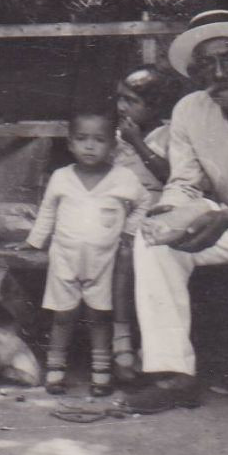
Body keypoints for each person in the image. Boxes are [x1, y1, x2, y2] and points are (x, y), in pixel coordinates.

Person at [125, 11, 228, 431]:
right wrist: (175, 214)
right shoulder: (189, 111)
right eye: (206, 65)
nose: (219, 73)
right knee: (154, 241)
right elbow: (184, 183)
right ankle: (174, 375)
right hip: (226, 223)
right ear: (195, 74)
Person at [23, 110, 149, 396]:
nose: (90, 146)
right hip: (64, 258)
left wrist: (129, 232)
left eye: (99, 140)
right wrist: (34, 241)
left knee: (99, 316)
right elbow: (47, 212)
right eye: (82, 139)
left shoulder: (123, 178)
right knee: (62, 315)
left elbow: (144, 203)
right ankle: (55, 372)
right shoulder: (62, 177)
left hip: (104, 260)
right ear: (70, 143)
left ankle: (101, 373)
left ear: (113, 146)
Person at [109, 64, 186, 376]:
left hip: (153, 210)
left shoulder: (169, 134)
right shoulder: (117, 134)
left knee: (130, 251)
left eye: (130, 100)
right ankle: (110, 342)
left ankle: (126, 343)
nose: (121, 106)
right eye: (119, 98)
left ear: (156, 106)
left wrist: (137, 142)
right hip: (115, 207)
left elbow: (174, 177)